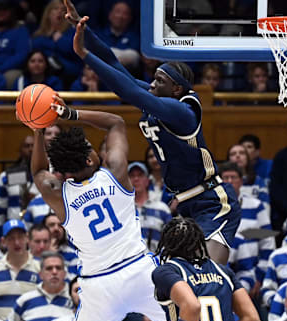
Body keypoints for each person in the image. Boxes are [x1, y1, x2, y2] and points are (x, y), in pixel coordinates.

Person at [65, 5, 241, 264]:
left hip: (213, 202)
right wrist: (83, 28)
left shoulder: (183, 112)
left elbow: (129, 92)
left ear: (176, 88)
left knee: (210, 277)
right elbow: (115, 64)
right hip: (185, 203)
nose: (152, 84)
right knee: (182, 279)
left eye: (159, 81)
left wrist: (84, 55)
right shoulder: (159, 96)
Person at [24, 98, 169, 321]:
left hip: (99, 285)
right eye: (91, 147)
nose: (94, 148)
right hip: (141, 272)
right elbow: (115, 121)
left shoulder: (58, 194)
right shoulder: (115, 171)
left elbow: (37, 169)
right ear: (90, 160)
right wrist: (71, 114)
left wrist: (38, 131)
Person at [219, 162, 275, 291]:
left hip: (251, 276)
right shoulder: (212, 208)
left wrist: (259, 277)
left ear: (241, 181)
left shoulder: (256, 206)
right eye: (225, 178)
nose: (229, 181)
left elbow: (267, 244)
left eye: (233, 177)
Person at [10, 251, 73, 321]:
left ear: (65, 274)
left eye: (58, 268)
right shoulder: (25, 300)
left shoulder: (73, 299)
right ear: (40, 274)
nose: (54, 272)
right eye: (49, 268)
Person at [0, 220, 41, 321]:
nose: (17, 242)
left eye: (20, 237)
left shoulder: (40, 267)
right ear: (3, 241)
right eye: (11, 238)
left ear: (27, 238)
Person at [32, 0, 83, 82]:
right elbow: (35, 50)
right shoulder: (39, 34)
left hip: (69, 74)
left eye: (63, 9)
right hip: (44, 75)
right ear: (48, 14)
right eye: (55, 9)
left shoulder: (72, 33)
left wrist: (60, 41)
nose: (59, 11)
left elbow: (74, 53)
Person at [128, 161, 172, 252]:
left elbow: (171, 241)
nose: (136, 179)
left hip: (156, 262)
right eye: (132, 176)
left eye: (140, 175)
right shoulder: (123, 209)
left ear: (147, 181)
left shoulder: (162, 209)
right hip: (130, 263)